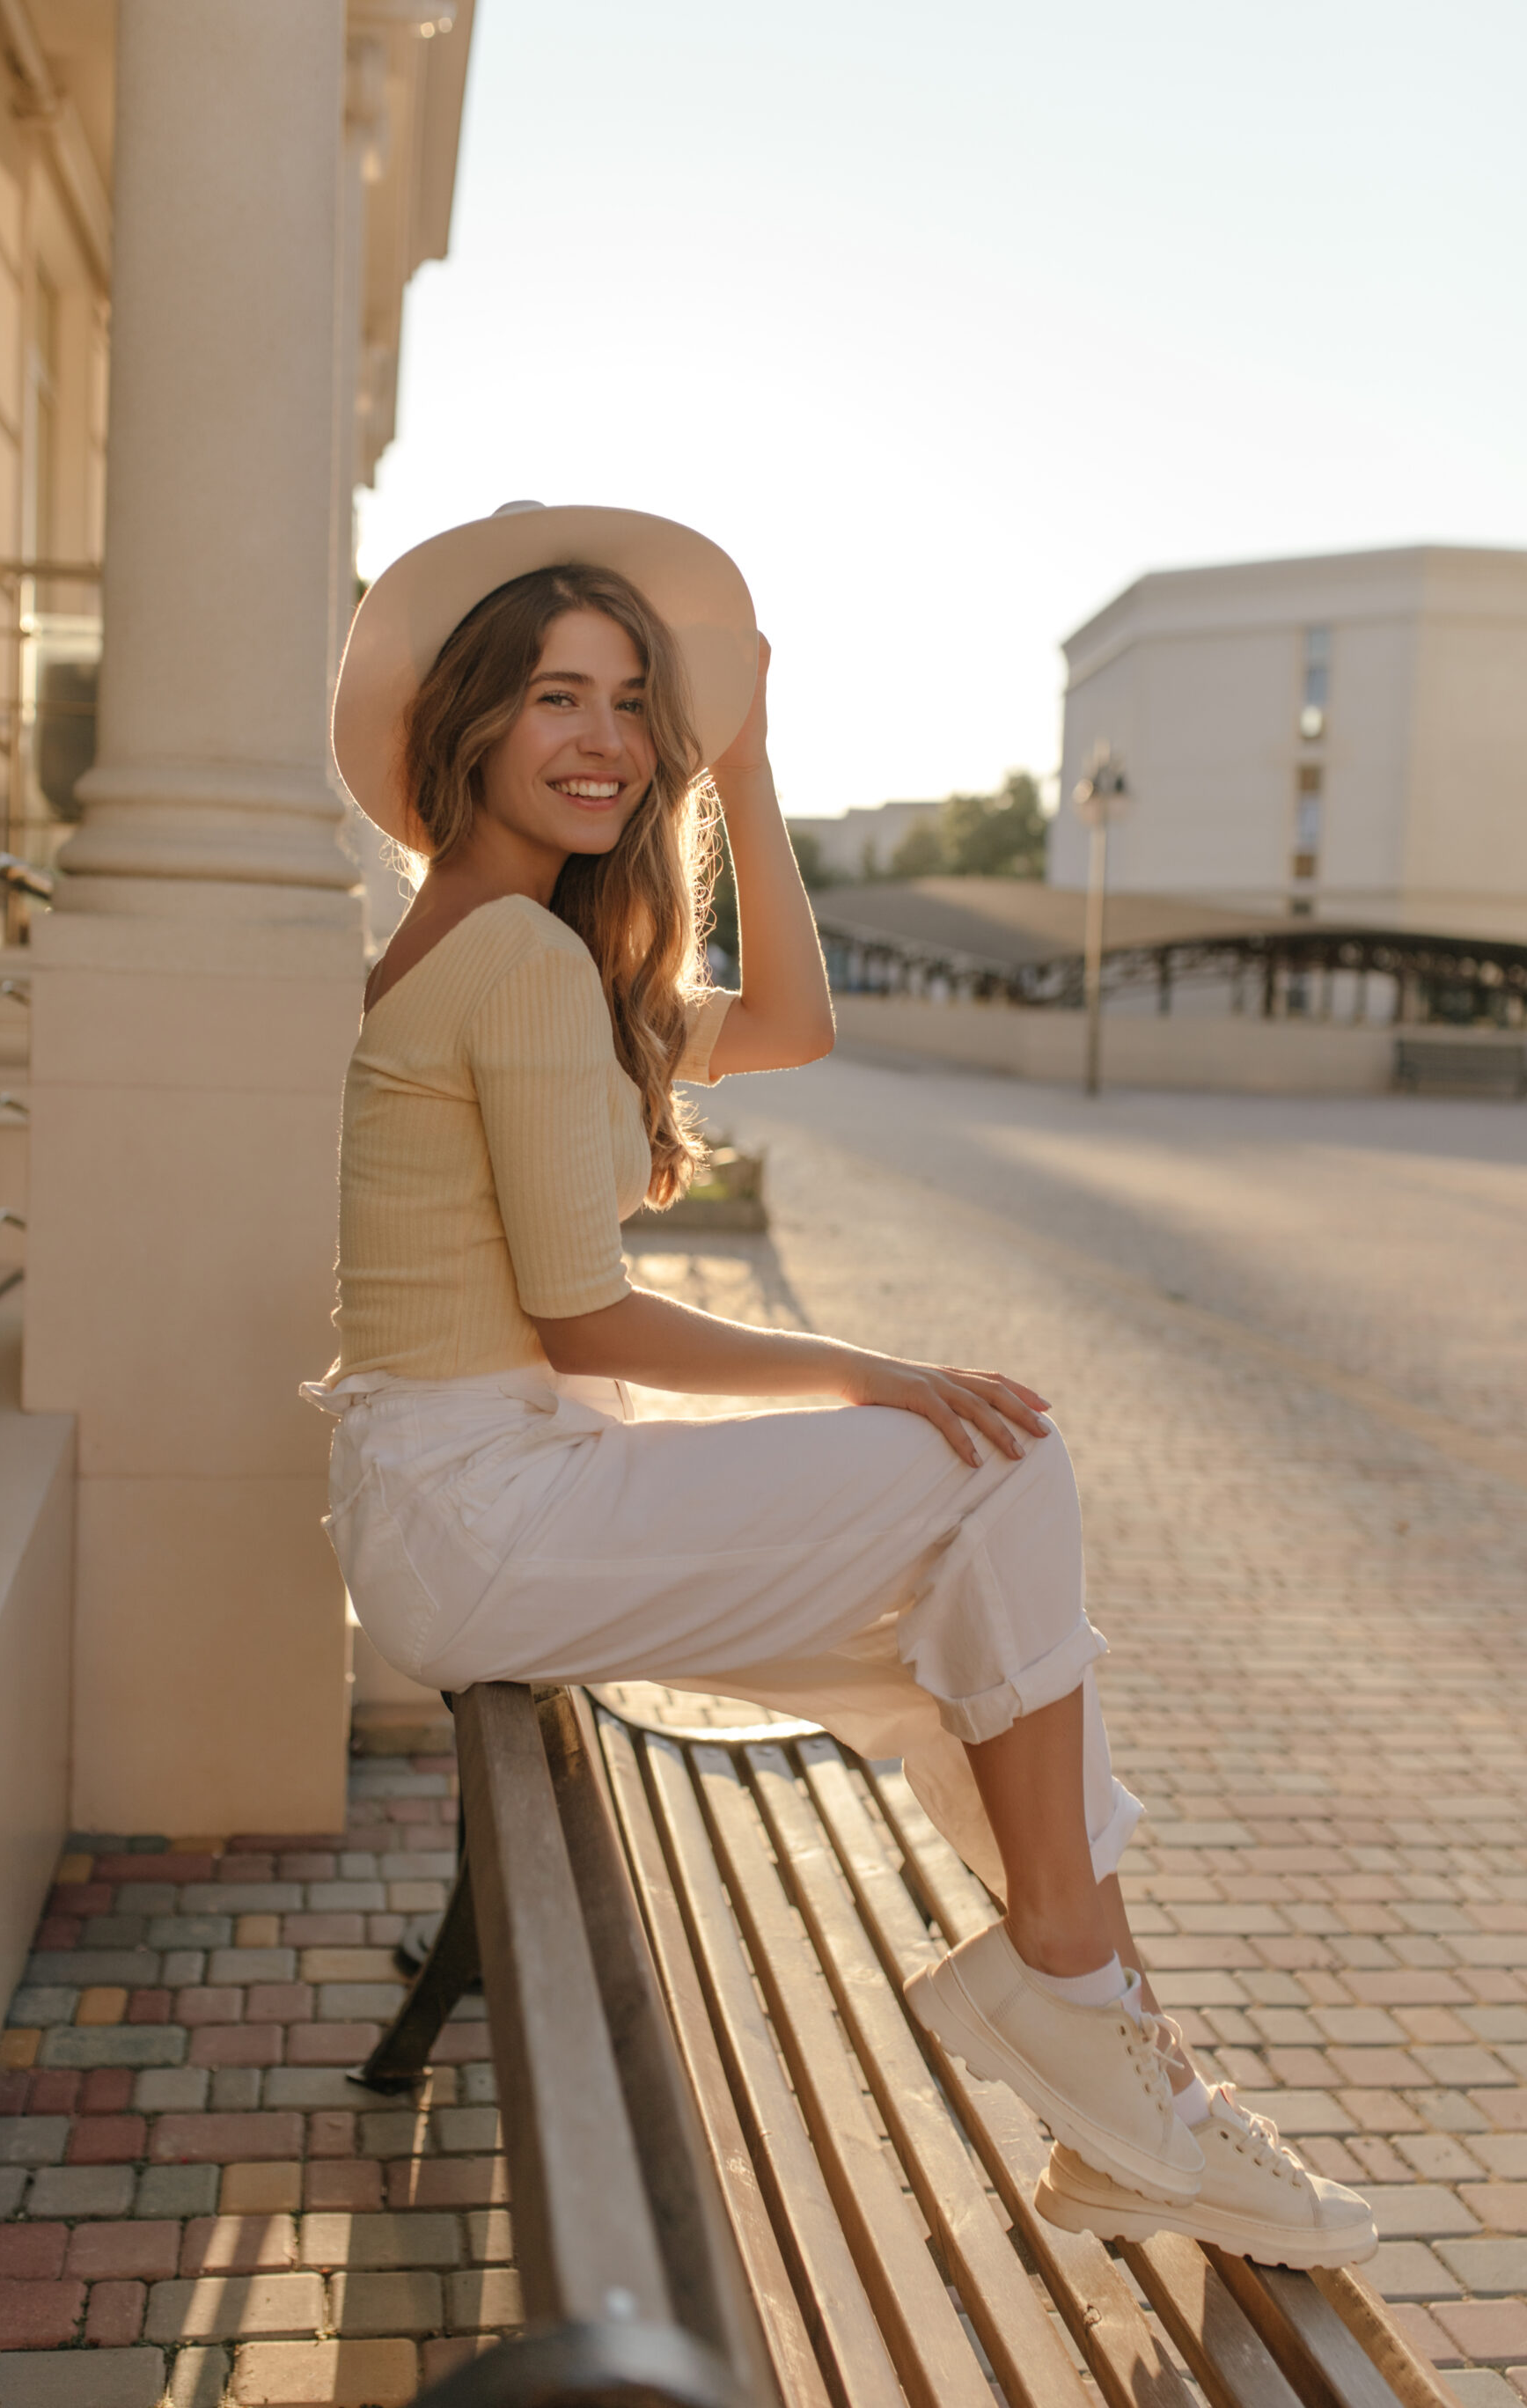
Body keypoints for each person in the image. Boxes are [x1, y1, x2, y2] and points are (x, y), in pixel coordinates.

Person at [312, 502, 1374, 2269]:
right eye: (560, 697)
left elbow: (794, 1024)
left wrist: (751, 764)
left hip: (485, 1497)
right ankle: (1104, 2041)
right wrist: (882, 1380)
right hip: (484, 1505)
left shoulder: (534, 950)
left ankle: (1126, 2077)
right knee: (995, 1471)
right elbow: (587, 1322)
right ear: (472, 722)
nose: (605, 739)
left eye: (636, 704)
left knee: (971, 1635)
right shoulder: (504, 958)